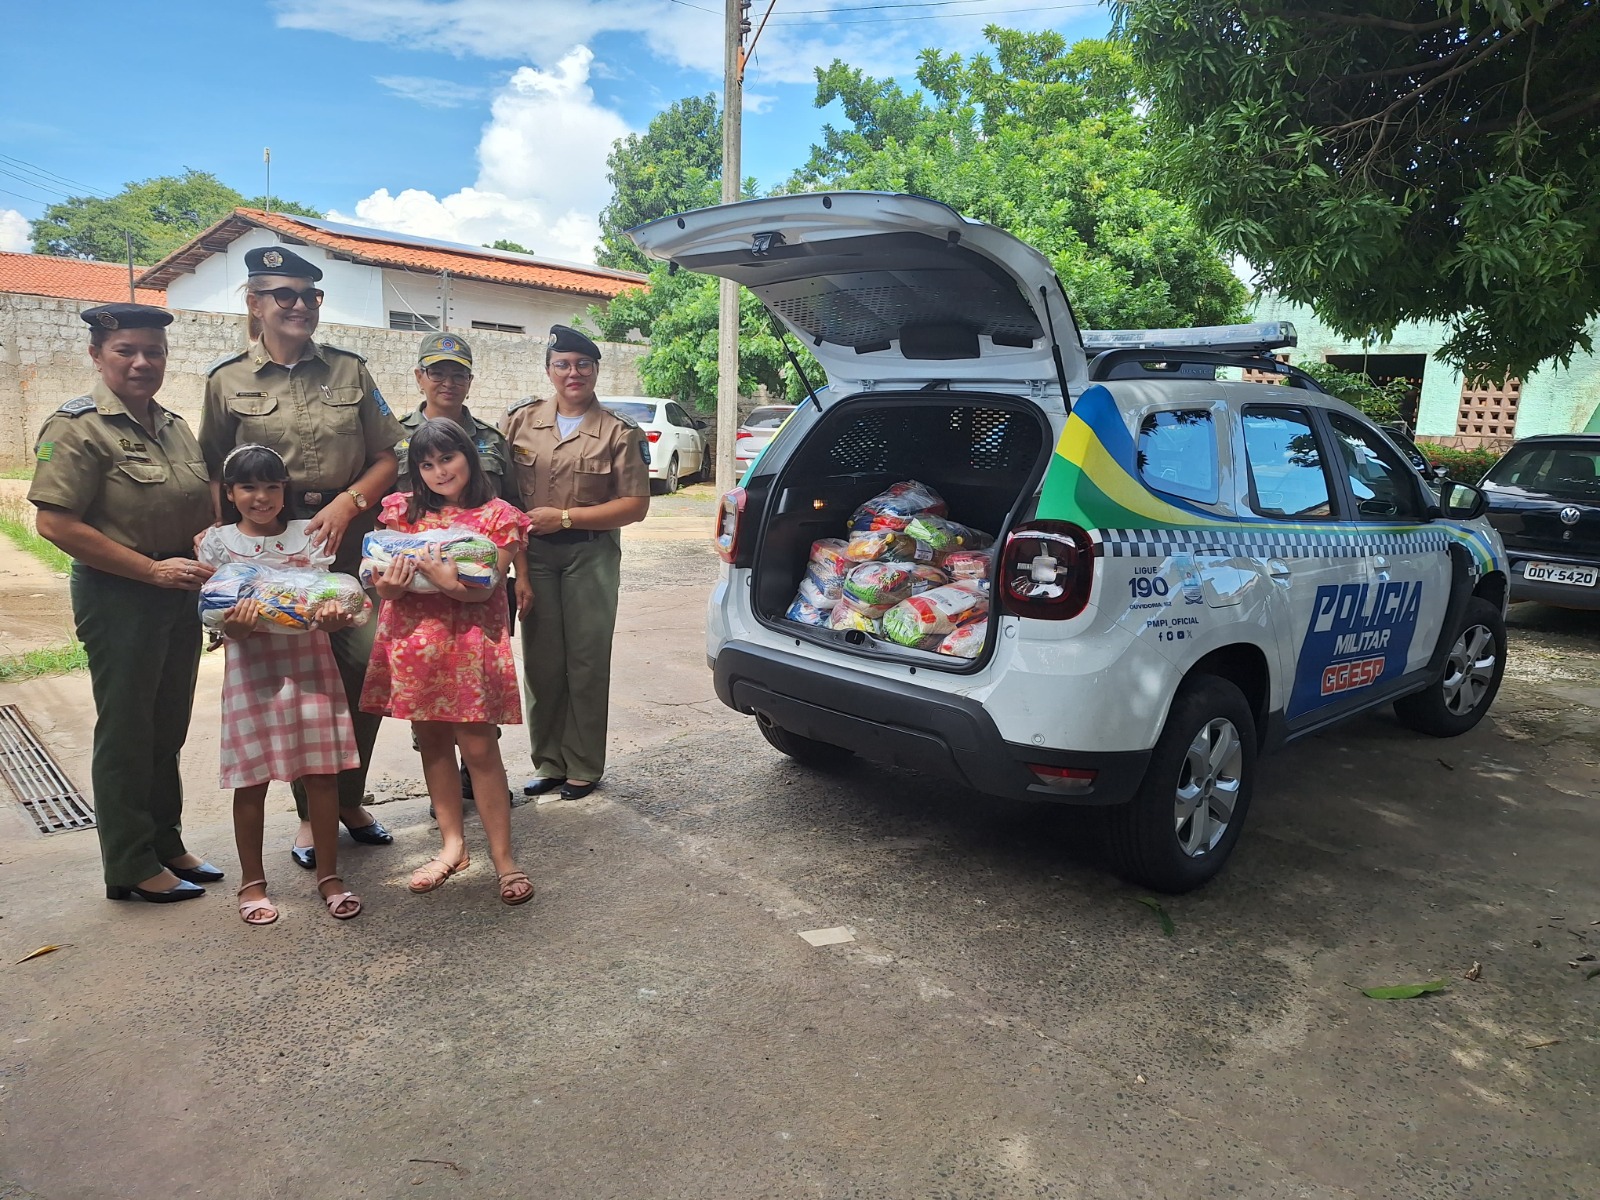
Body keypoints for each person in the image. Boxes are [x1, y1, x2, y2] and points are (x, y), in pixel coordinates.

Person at [199, 245, 406, 870]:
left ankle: (345, 797)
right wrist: (226, 569)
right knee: (291, 677)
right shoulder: (227, 381)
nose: (298, 306)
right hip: (269, 553)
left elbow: (388, 455)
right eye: (282, 295)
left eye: (309, 296)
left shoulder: (350, 371)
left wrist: (348, 504)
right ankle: (310, 817)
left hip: (344, 541)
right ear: (254, 303)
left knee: (368, 664)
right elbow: (214, 473)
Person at [28, 303, 219, 903]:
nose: (142, 362)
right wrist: (150, 570)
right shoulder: (76, 427)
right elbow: (55, 524)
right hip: (122, 595)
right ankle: (130, 862)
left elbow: (195, 505)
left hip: (177, 591)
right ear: (97, 354)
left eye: (153, 352)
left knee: (168, 725)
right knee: (128, 730)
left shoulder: (172, 424)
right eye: (126, 351)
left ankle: (165, 841)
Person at [360, 419, 534, 905]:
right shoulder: (400, 513)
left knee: (479, 750)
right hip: (415, 645)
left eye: (448, 458)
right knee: (432, 742)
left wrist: (446, 581)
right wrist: (389, 586)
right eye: (427, 464)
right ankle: (452, 847)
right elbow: (383, 584)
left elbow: (486, 589)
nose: (439, 471)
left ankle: (504, 859)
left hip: (469, 646)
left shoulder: (500, 517)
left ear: (470, 456)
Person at [198, 444, 363, 924]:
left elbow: (326, 604)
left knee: (322, 775)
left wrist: (334, 620)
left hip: (311, 669)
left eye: (271, 486)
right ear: (230, 493)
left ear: (284, 490)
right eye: (248, 487)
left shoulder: (308, 536)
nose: (261, 497)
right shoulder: (217, 543)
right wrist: (236, 628)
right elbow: (214, 617)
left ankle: (329, 875)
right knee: (251, 779)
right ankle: (252, 884)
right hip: (252, 673)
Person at [501, 325, 649, 801]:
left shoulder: (618, 432)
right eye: (563, 364)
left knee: (585, 661)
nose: (573, 373)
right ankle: (548, 761)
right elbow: (502, 497)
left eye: (583, 364)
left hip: (591, 553)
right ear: (549, 370)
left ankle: (583, 764)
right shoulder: (520, 423)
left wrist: (564, 517)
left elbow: (634, 505)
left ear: (595, 371)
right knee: (541, 662)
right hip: (534, 556)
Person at [395, 331, 530, 803]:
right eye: (438, 372)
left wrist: (523, 579)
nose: (448, 382)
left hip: (479, 589)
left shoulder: (491, 440)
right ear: (420, 377)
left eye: (458, 374)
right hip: (419, 600)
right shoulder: (396, 437)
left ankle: (480, 777)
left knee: (477, 696)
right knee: (428, 711)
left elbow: (513, 510)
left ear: (470, 382)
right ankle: (444, 794)